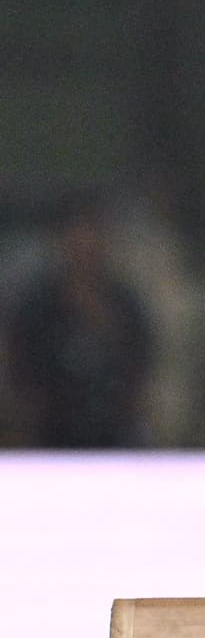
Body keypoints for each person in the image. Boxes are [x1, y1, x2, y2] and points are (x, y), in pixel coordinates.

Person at [3, 192, 155, 447]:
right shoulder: (35, 309)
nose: (84, 244)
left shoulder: (125, 304)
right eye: (76, 233)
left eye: (92, 233)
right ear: (60, 240)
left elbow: (141, 368)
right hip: (51, 440)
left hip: (117, 439)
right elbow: (20, 374)